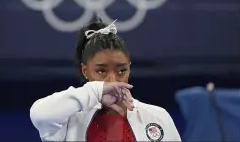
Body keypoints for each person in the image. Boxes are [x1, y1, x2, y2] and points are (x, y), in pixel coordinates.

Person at [30, 19, 181, 142]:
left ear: (129, 69)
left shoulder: (157, 116)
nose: (112, 80)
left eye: (121, 70)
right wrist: (96, 91)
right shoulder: (70, 119)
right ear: (85, 71)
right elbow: (39, 115)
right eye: (101, 71)